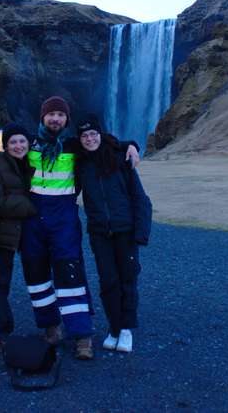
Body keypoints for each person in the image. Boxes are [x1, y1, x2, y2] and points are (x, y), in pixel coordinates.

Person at [19, 96, 140, 360]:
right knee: (36, 276)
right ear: (42, 117)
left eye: (60, 115)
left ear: (67, 120)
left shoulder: (74, 146)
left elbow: (101, 143)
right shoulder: (27, 143)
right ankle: (50, 327)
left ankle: (82, 334)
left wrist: (129, 144)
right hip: (32, 220)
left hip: (64, 220)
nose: (55, 119)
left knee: (71, 274)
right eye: (50, 114)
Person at [75, 114, 152, 354]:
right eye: (84, 135)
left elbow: (140, 198)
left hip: (125, 230)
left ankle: (127, 329)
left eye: (93, 134)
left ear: (100, 134)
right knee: (108, 282)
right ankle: (114, 328)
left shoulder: (120, 159)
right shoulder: (80, 164)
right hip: (99, 233)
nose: (89, 139)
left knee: (128, 280)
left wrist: (141, 232)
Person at [0, 123, 37, 353]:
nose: (18, 145)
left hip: (20, 232)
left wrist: (128, 145)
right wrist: (32, 206)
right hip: (0, 233)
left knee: (3, 281)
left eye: (22, 141)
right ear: (6, 144)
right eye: (13, 141)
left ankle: (0, 328)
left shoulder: (28, 162)